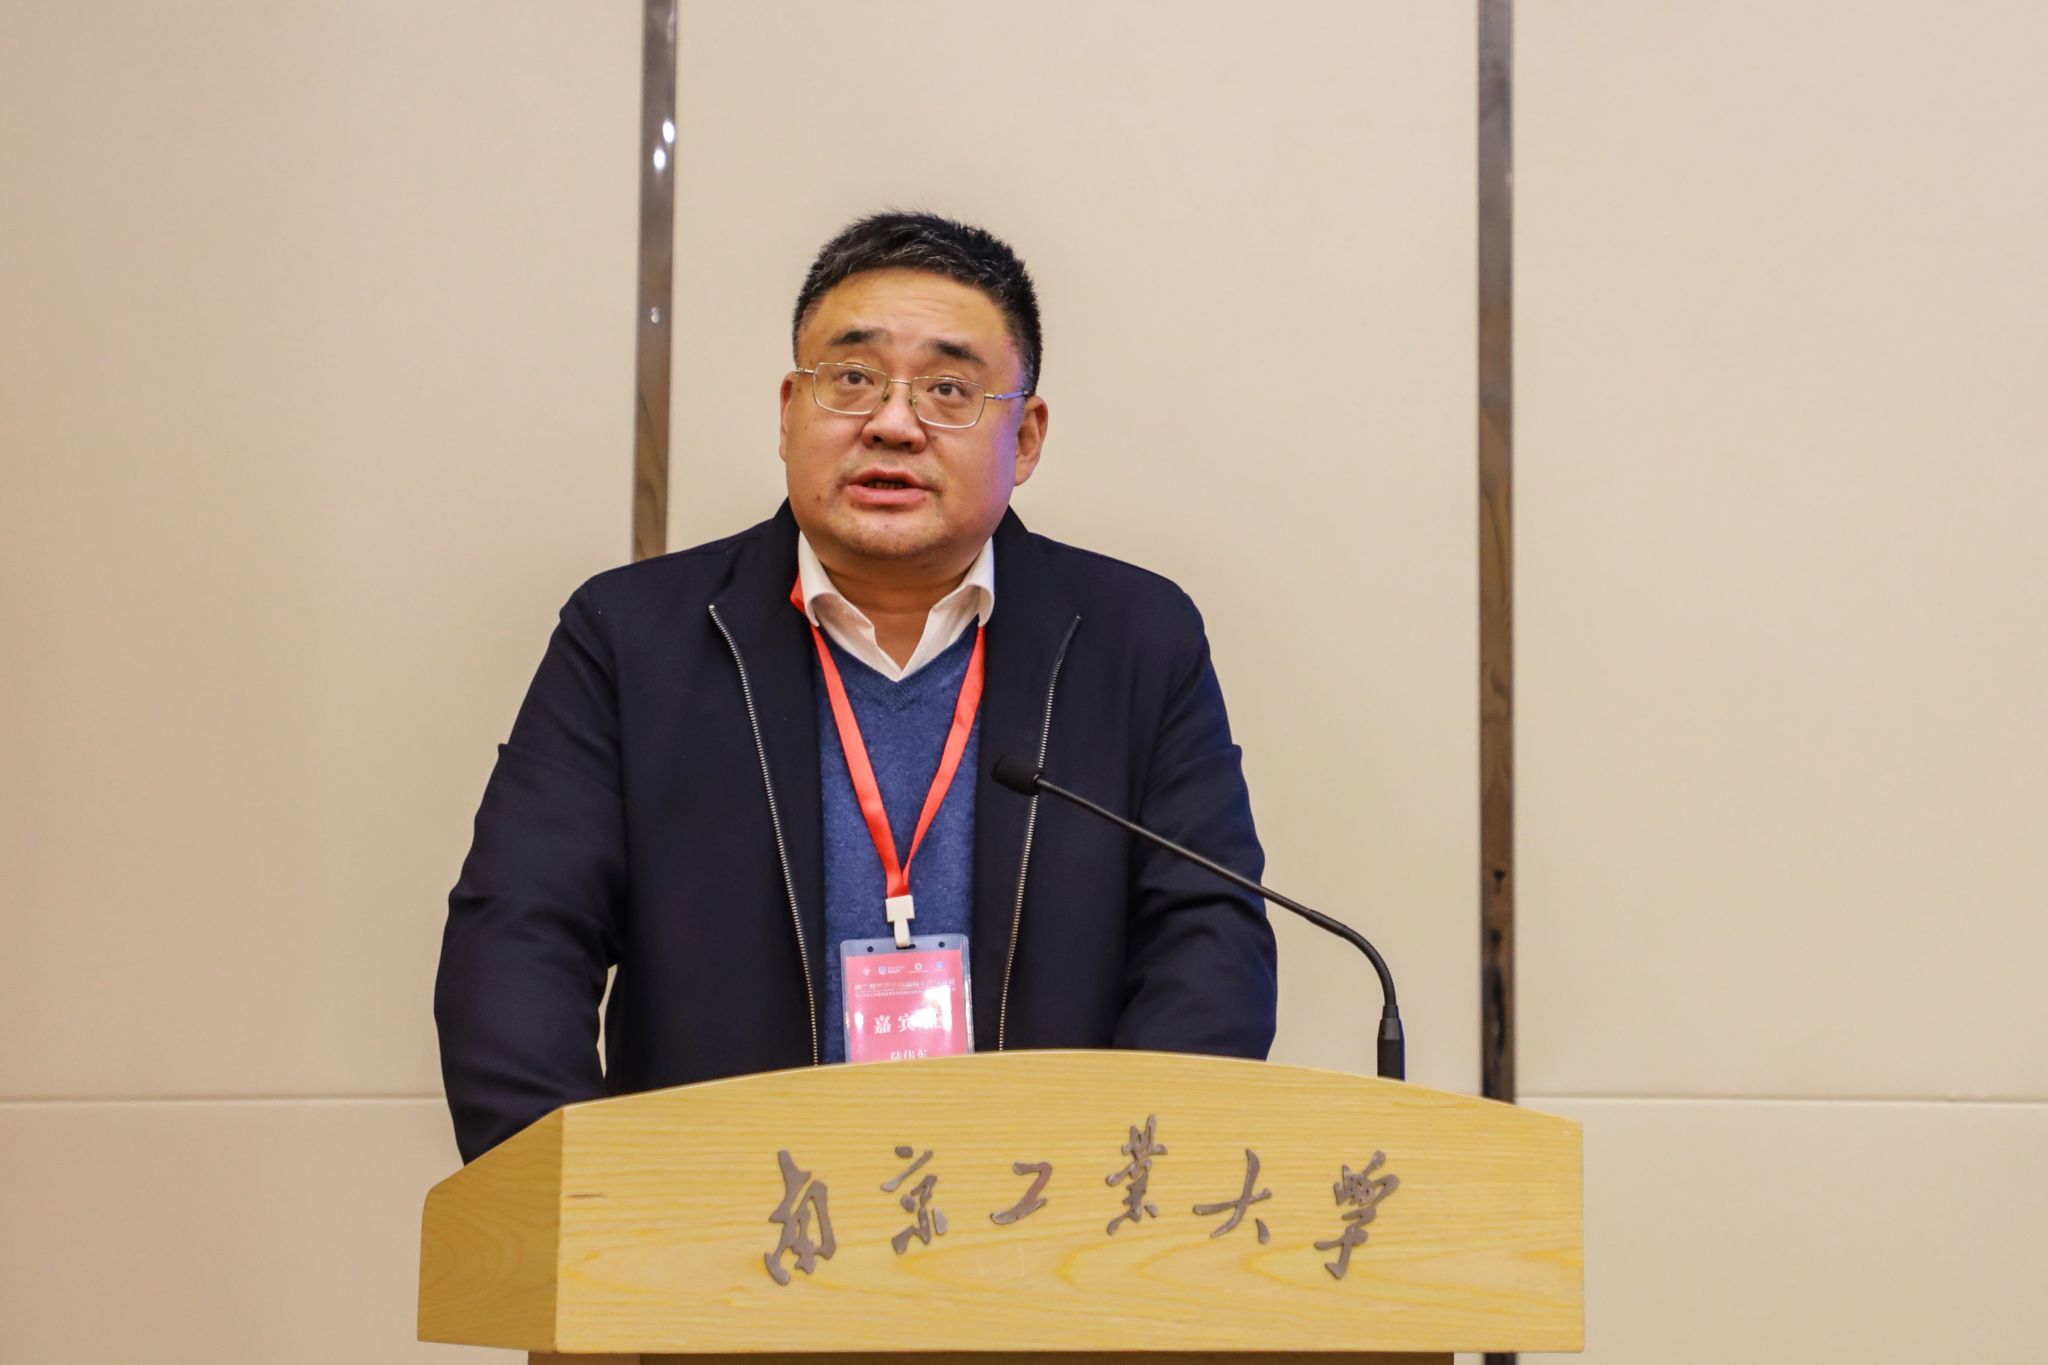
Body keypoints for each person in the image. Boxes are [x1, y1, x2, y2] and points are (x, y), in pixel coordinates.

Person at [435, 211, 1276, 1163]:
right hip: (720, 1221)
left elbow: (1207, 944)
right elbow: (520, 934)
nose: (892, 423)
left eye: (949, 389)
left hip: (1043, 1219)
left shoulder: (1136, 639)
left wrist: (1118, 1193)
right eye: (851, 378)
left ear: (1026, 437)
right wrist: (576, 1196)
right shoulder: (632, 639)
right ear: (788, 411)